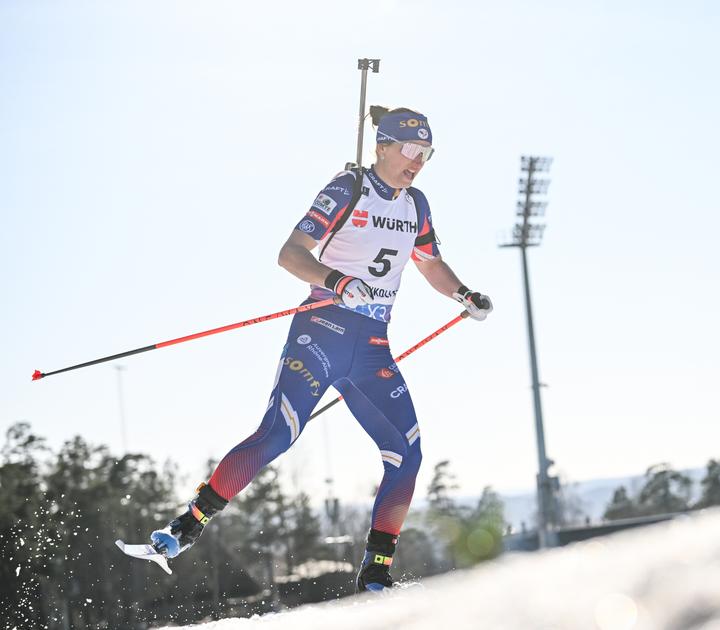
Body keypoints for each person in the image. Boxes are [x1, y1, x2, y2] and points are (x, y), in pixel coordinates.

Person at [148, 107, 492, 592]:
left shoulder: (417, 204)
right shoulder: (347, 188)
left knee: (406, 454)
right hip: (322, 332)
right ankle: (186, 526)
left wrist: (464, 295)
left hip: (372, 348)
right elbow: (290, 254)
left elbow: (430, 263)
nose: (418, 162)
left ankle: (375, 571)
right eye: (411, 151)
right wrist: (337, 281)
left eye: (427, 154)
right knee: (277, 436)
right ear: (384, 146)